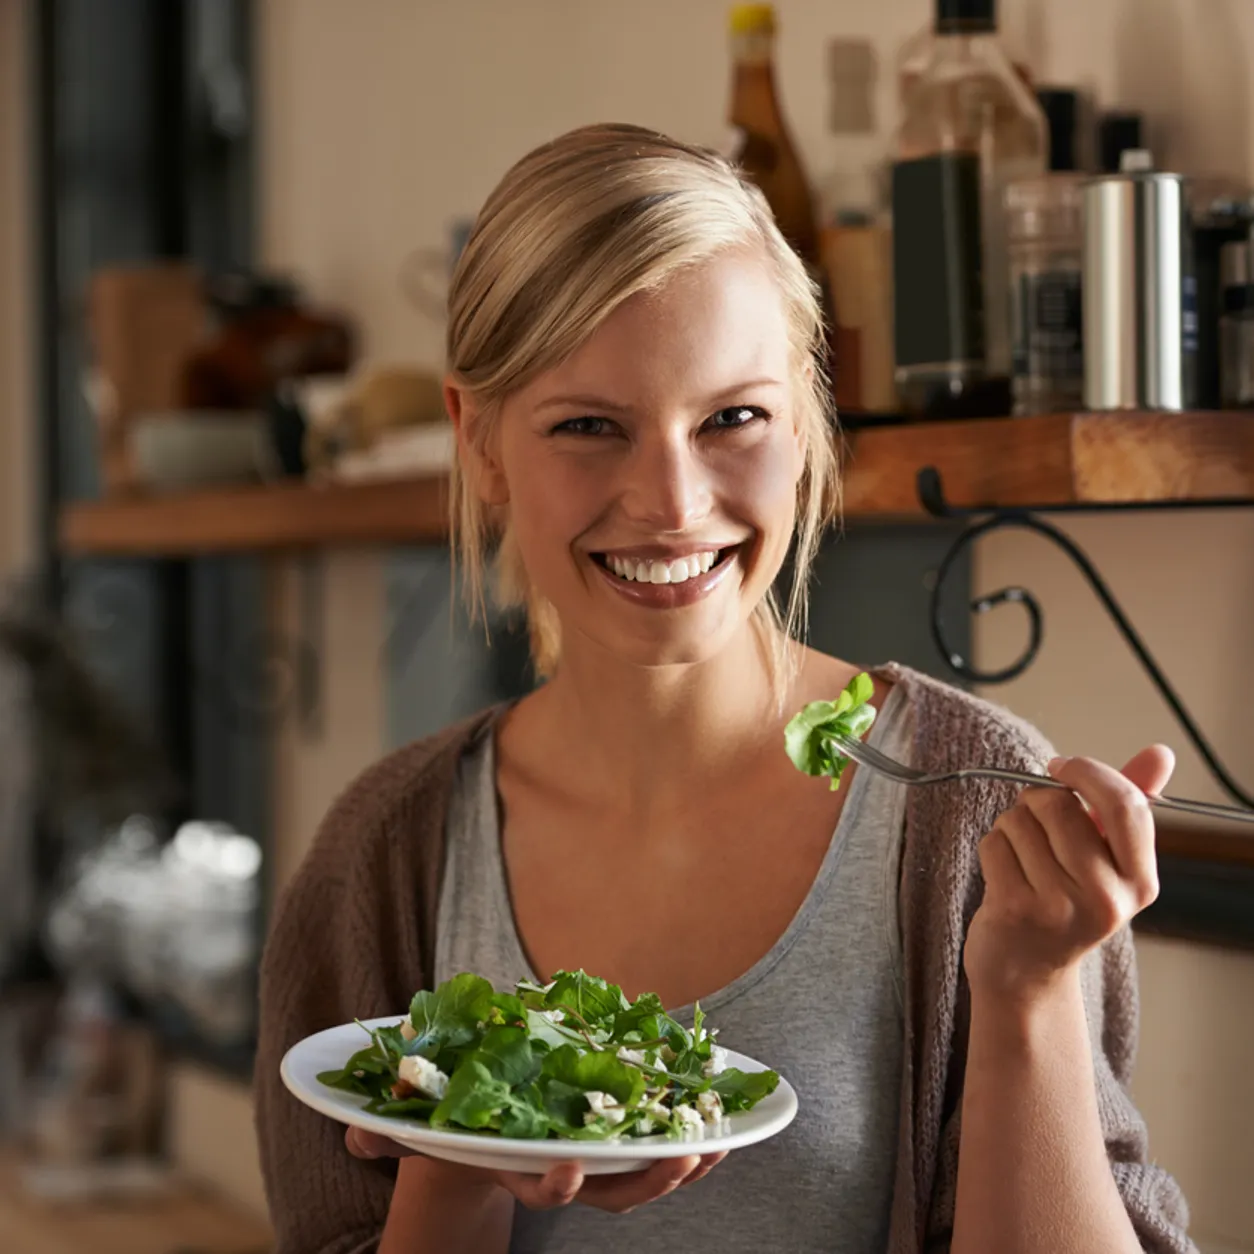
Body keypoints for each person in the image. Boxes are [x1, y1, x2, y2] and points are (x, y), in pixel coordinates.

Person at [254, 123, 1196, 1254]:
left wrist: (1029, 992)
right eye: (590, 427)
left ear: (804, 422)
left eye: (732, 418)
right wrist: (459, 1167)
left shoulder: (967, 808)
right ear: (482, 443)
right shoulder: (383, 855)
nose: (670, 501)